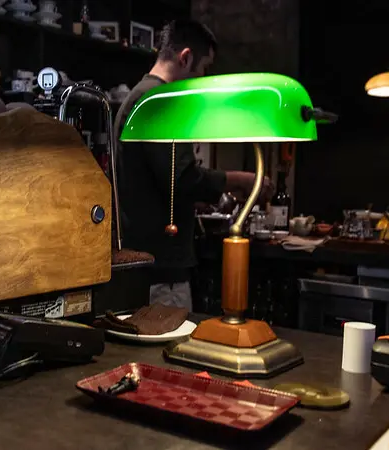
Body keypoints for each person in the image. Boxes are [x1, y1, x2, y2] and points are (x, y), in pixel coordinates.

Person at [113, 18, 273, 309]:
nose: (203, 77)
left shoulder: (140, 96)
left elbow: (158, 180)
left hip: (144, 262)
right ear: (185, 58)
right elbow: (183, 178)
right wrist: (243, 179)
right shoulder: (161, 101)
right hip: (160, 270)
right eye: (204, 68)